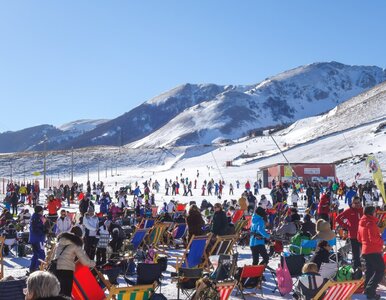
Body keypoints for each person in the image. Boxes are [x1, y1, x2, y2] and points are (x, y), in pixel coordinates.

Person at [53, 226, 95, 297]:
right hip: (67, 272)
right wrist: (93, 263)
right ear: (79, 236)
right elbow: (85, 262)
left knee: (57, 293)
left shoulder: (60, 242)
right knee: (66, 294)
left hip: (55, 269)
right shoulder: (75, 244)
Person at [357, 206, 385, 300]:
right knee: (380, 269)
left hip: (366, 250)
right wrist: (381, 241)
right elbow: (372, 238)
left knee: (370, 271)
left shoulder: (361, 222)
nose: (375, 213)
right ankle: (370, 290)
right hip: (373, 250)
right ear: (371, 213)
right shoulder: (370, 223)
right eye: (374, 212)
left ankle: (367, 289)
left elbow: (359, 238)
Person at [335, 196, 363, 270]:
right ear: (352, 203)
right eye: (355, 203)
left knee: (365, 253)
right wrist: (346, 226)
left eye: (359, 202)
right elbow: (337, 218)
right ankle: (356, 269)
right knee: (356, 254)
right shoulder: (349, 211)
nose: (357, 204)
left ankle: (365, 268)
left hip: (363, 235)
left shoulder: (362, 210)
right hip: (353, 235)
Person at [29, 205, 46, 273]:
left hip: (34, 238)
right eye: (42, 211)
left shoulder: (35, 217)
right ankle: (38, 269)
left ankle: (32, 268)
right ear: (40, 211)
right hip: (38, 238)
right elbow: (36, 228)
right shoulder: (37, 218)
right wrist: (43, 231)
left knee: (36, 254)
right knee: (41, 254)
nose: (42, 212)